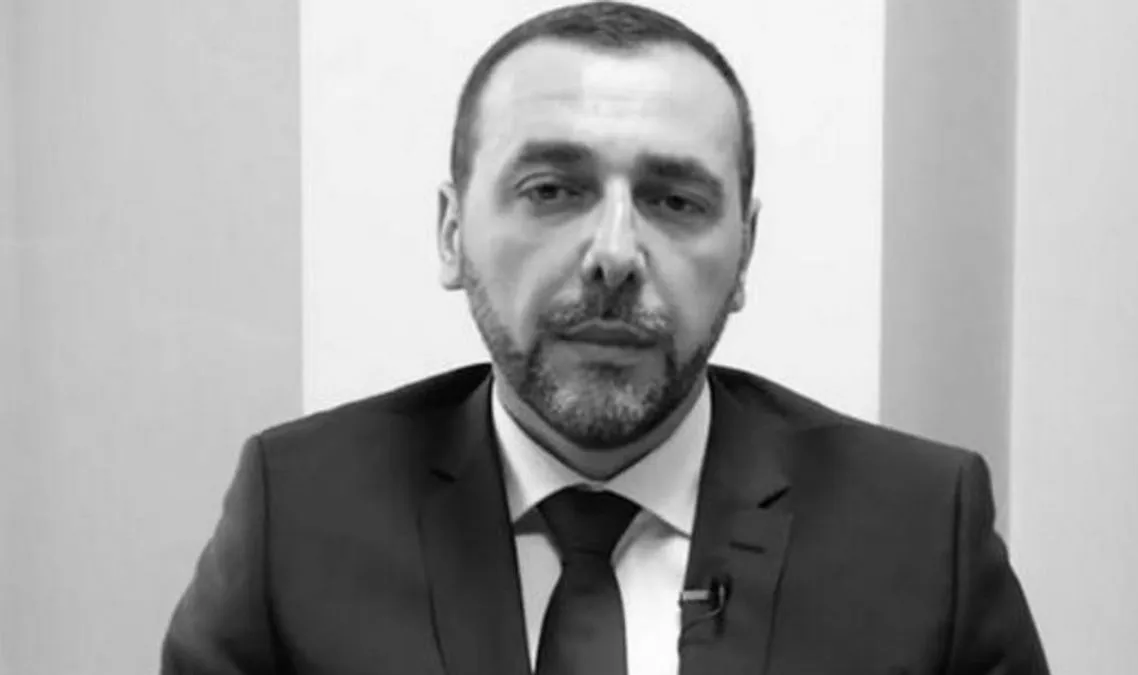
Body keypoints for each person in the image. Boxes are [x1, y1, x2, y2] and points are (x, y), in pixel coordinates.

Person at [161, 2, 1050, 674]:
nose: (615, 255)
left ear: (745, 252)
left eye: (675, 200)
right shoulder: (299, 515)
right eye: (553, 190)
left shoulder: (919, 531)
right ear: (451, 233)